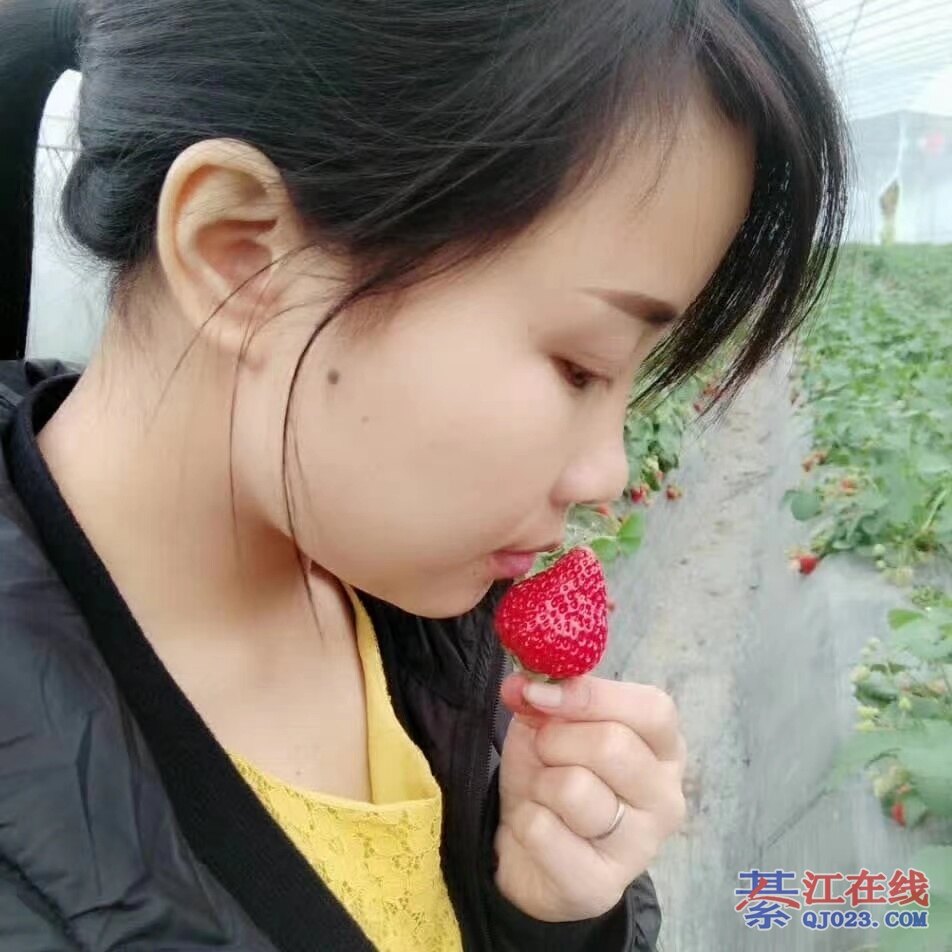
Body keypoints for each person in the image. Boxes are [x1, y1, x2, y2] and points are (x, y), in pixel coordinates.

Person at [0, 0, 847, 949]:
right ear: (241, 257)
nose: (607, 473)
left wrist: (543, 917)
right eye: (583, 366)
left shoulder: (409, 603)